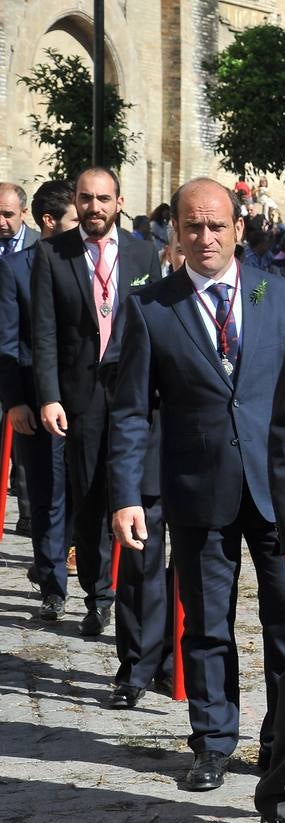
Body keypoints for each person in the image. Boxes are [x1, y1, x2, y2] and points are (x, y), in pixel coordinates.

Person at [107, 177, 285, 790]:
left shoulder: (281, 297)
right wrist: (126, 494)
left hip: (277, 493)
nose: (206, 237)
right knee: (208, 622)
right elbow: (132, 409)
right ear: (176, 234)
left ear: (240, 229)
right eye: (193, 226)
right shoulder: (151, 306)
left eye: (217, 225)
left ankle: (283, 745)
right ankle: (213, 740)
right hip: (196, 490)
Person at [30, 168, 164, 663]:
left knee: (129, 493)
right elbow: (43, 330)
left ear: (118, 201)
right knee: (87, 498)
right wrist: (48, 395)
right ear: (77, 202)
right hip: (80, 393)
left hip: (132, 391)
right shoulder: (52, 254)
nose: (94, 207)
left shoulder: (143, 252)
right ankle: (96, 594)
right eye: (86, 199)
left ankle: (130, 595)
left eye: (103, 199)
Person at [0, 180, 76, 622]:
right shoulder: (16, 269)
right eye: (72, 219)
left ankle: (67, 560)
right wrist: (15, 401)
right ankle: (52, 584)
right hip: (32, 401)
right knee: (46, 493)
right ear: (51, 221)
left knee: (79, 492)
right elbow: (8, 343)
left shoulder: (81, 264)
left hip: (80, 401)